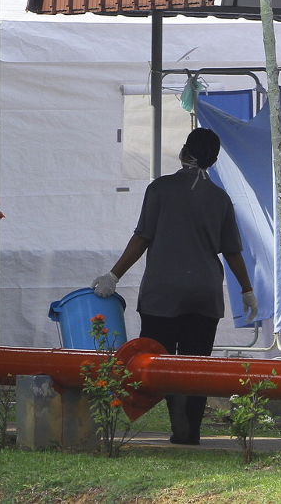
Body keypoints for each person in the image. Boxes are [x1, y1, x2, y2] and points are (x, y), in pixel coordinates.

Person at [91, 127, 260, 445]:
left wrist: (113, 276)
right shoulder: (221, 198)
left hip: (162, 293)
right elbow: (232, 251)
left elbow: (142, 237)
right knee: (196, 365)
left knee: (158, 362)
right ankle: (190, 431)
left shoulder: (160, 189)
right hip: (205, 294)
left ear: (185, 152)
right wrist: (246, 289)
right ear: (213, 160)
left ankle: (175, 422)